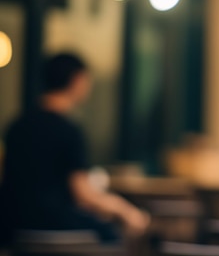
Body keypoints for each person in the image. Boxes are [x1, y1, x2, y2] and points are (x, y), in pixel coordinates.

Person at [0, 52, 150, 246]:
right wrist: (127, 212)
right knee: (111, 236)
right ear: (77, 80)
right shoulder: (68, 131)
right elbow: (83, 193)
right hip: (49, 222)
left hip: (10, 224)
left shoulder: (16, 126)